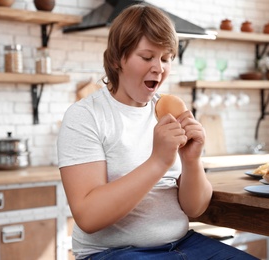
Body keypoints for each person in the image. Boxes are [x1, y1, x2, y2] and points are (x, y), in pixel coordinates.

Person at [57, 4, 258, 260]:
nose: (159, 68)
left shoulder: (168, 111)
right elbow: (88, 216)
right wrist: (158, 161)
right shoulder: (86, 116)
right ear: (119, 58)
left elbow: (195, 208)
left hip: (181, 244)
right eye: (147, 56)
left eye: (165, 58)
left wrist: (192, 160)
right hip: (112, 252)